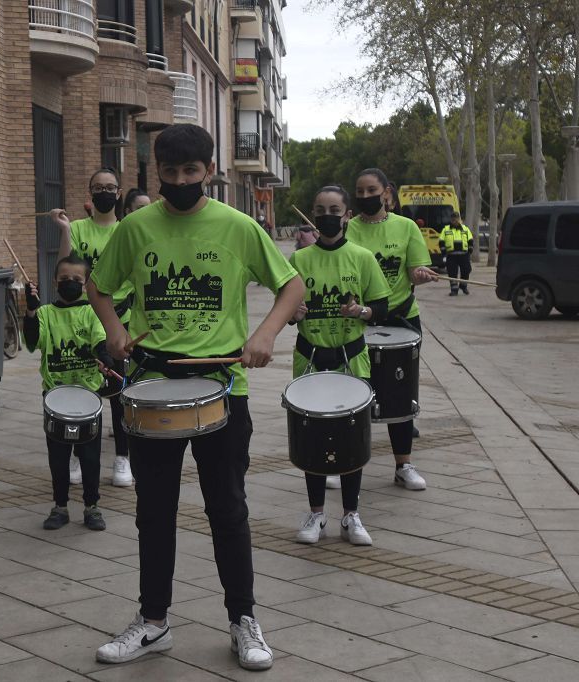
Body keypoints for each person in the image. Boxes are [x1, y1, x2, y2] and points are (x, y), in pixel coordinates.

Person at [88, 124, 304, 669]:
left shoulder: (237, 226)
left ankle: (243, 621)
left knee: (227, 509)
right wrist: (114, 331)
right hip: (153, 386)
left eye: (191, 172)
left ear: (210, 171)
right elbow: (98, 285)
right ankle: (153, 621)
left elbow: (292, 286)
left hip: (223, 387)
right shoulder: (135, 228)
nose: (181, 181)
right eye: (170, 172)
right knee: (152, 511)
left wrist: (264, 334)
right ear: (155, 172)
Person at [289, 186, 391, 546]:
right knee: (312, 440)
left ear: (347, 215)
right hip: (310, 359)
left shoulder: (362, 258)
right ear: (313, 215)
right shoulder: (299, 260)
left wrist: (360, 311)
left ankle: (351, 515)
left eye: (334, 209)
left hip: (352, 359)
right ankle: (316, 513)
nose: (327, 215)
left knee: (352, 439)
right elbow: (286, 310)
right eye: (320, 209)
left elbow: (381, 307)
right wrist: (294, 312)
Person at [345, 168, 438, 490]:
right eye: (360, 190)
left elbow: (413, 271)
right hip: (360, 319)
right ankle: (343, 461)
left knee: (400, 392)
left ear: (386, 192)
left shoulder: (407, 227)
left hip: (401, 319)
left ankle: (404, 464)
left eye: (372, 189)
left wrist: (421, 275)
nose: (366, 196)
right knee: (353, 391)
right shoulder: (349, 229)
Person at [51, 169, 135, 488]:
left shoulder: (127, 229)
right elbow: (64, 268)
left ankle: (122, 458)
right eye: (97, 187)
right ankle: (75, 454)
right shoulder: (76, 228)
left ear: (119, 193)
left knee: (120, 392)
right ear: (90, 193)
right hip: (83, 320)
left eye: (109, 187)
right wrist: (62, 231)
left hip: (120, 319)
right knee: (80, 388)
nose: (104, 192)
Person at [23, 254, 112, 531]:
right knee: (58, 457)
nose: (69, 283)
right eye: (64, 279)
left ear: (85, 284)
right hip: (56, 396)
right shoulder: (47, 314)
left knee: (90, 457)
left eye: (76, 280)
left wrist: (105, 357)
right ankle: (59, 506)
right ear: (54, 282)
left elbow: (100, 341)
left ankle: (92, 506)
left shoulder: (91, 313)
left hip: (88, 396)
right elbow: (31, 342)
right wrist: (30, 312)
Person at [439, 212, 473, 295]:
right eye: (453, 219)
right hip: (451, 255)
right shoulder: (446, 229)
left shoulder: (465, 229)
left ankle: (463, 286)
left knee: (466, 270)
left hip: (464, 255)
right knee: (452, 272)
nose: (455, 220)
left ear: (459, 219)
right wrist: (444, 254)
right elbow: (441, 242)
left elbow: (470, 240)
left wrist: (470, 251)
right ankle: (454, 290)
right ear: (451, 220)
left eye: (457, 218)